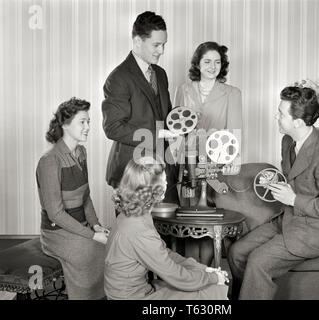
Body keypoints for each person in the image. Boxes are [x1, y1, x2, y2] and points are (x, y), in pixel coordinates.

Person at [227, 86, 319, 300]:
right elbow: (293, 178)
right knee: (236, 253)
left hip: (315, 231)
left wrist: (293, 199)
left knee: (258, 262)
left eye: (281, 113)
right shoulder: (288, 141)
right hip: (288, 220)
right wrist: (273, 181)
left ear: (298, 122)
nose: (276, 116)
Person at [104, 157, 229, 300]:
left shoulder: (134, 213)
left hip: (139, 290)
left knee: (209, 288)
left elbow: (163, 253)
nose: (167, 183)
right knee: (213, 292)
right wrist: (212, 278)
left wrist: (203, 269)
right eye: (163, 180)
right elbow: (174, 274)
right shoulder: (138, 227)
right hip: (132, 297)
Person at [173, 41, 243, 266]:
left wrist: (234, 158)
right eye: (207, 61)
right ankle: (191, 272)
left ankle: (206, 270)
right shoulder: (183, 90)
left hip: (217, 163)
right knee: (189, 216)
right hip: (188, 163)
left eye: (217, 62)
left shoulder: (232, 93)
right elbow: (176, 128)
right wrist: (175, 154)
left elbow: (235, 129)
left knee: (211, 217)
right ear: (198, 63)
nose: (212, 66)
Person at [102, 11, 178, 209]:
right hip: (132, 172)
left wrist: (181, 122)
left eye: (164, 45)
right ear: (137, 41)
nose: (161, 50)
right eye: (156, 45)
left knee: (168, 235)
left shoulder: (160, 74)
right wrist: (159, 134)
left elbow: (165, 116)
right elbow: (113, 128)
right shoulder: (118, 78)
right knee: (135, 236)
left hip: (163, 169)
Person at [36, 98, 109, 300]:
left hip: (81, 226)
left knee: (110, 243)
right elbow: (56, 214)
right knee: (91, 252)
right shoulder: (50, 160)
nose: (88, 127)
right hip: (56, 233)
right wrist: (92, 236)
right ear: (65, 125)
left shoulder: (81, 153)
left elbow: (86, 197)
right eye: (82, 122)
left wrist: (96, 226)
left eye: (88, 122)